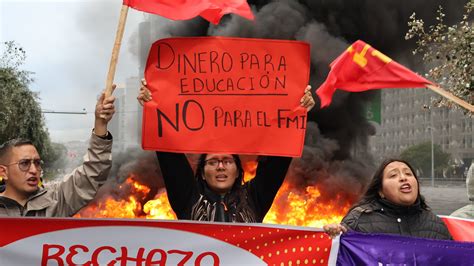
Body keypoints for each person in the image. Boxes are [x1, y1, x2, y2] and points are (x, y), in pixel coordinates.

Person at [138, 80, 315, 222]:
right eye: (213, 162)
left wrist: (298, 110)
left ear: (238, 171)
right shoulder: (188, 199)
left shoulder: (254, 198)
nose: (220, 167)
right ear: (202, 172)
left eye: (227, 161)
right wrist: (154, 107)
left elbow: (277, 160)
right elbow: (170, 156)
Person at [0, 90, 116, 217]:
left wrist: (100, 124)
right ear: (3, 172)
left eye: (37, 163)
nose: (34, 170)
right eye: (24, 163)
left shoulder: (56, 200)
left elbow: (94, 171)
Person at [323, 158, 452, 240]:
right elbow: (339, 256)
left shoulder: (436, 225)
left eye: (408, 173)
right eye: (393, 175)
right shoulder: (359, 221)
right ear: (381, 191)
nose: (403, 178)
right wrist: (331, 236)